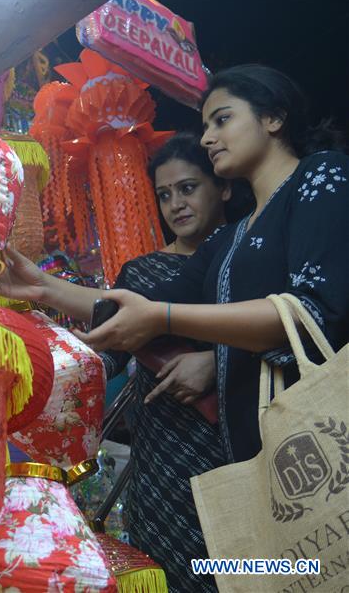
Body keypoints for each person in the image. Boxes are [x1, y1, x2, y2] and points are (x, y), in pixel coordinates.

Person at [0, 64, 349, 468]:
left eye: (223, 119)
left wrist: (166, 319)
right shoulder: (227, 240)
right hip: (258, 452)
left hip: (323, 439)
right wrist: (41, 286)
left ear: (273, 117)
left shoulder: (320, 174)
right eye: (207, 125)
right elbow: (140, 303)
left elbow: (312, 312)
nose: (209, 137)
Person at [93, 132, 246, 592]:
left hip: (235, 453)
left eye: (187, 188)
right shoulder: (140, 274)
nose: (175, 204)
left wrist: (215, 361)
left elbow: (280, 333)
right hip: (161, 460)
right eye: (164, 194)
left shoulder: (247, 259)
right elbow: (109, 351)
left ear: (222, 186)